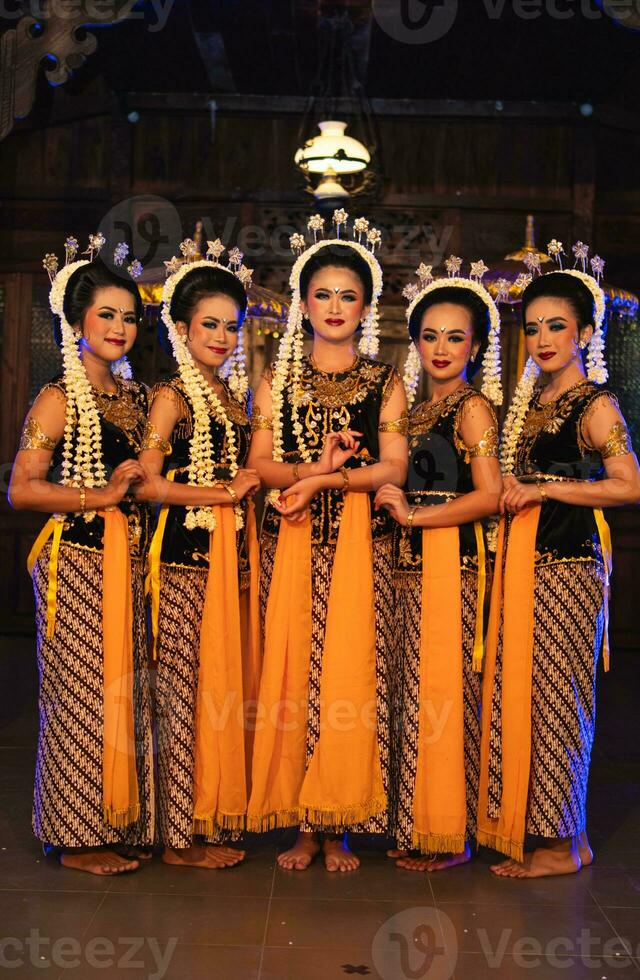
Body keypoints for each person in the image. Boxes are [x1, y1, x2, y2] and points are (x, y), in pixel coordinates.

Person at [246, 211, 408, 872]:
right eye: (323, 294)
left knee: (348, 680)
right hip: (291, 546)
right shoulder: (275, 383)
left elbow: (394, 468)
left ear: (365, 306)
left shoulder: (384, 382)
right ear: (302, 304)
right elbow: (260, 466)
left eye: (348, 295)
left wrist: (325, 481)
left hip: (362, 550)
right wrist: (317, 475)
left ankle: (339, 825)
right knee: (292, 682)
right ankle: (301, 824)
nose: (336, 307)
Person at [477, 241, 640, 878]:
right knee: (527, 693)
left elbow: (628, 484)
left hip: (570, 565)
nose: (543, 338)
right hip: (526, 563)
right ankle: (551, 831)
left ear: (585, 333)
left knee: (560, 697)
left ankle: (566, 844)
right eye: (534, 326)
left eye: (557, 326)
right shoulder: (535, 407)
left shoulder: (594, 403)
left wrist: (544, 489)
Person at [8, 237, 154, 875]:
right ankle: (72, 837)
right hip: (74, 560)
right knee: (75, 693)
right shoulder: (57, 398)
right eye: (106, 315)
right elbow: (21, 488)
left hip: (129, 560)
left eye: (129, 317)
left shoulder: (134, 397)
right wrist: (99, 495)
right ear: (76, 323)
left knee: (120, 694)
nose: (120, 328)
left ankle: (113, 818)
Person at [135, 240, 261, 870]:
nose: (221, 336)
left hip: (228, 564)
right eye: (208, 324)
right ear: (181, 329)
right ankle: (177, 835)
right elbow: (148, 483)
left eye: (231, 326)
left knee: (218, 694)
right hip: (182, 560)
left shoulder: (229, 399)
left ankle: (208, 815)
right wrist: (223, 492)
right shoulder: (170, 396)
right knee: (180, 695)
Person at [376, 258, 503, 872]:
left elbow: (489, 495)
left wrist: (416, 519)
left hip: (452, 565)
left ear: (476, 346)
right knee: (410, 694)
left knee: (446, 695)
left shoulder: (471, 408)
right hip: (406, 569)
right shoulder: (417, 413)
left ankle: (449, 833)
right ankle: (417, 820)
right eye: (430, 336)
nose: (442, 348)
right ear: (415, 342)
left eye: (456, 337)